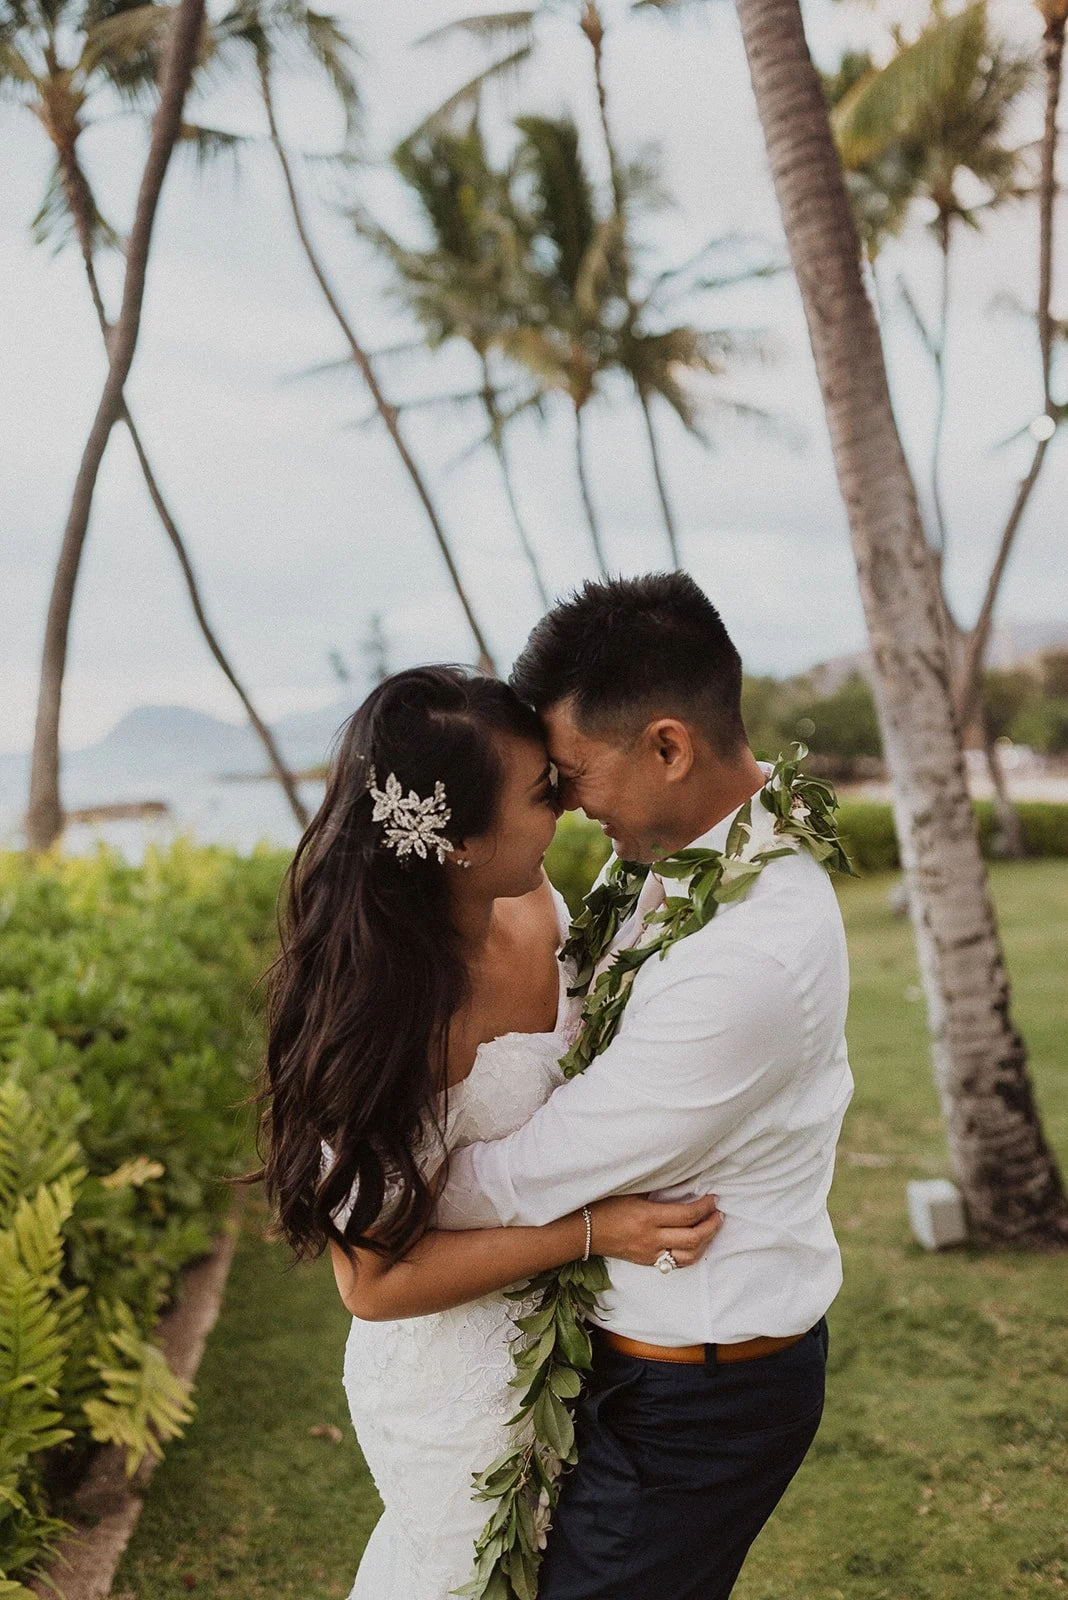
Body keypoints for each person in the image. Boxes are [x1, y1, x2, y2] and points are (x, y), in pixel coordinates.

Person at [249, 664, 723, 1600]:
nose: (568, 805)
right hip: (457, 1395)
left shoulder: (534, 903)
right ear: (459, 842)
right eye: (544, 792)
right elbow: (373, 1283)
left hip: (582, 1351)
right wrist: (590, 1232)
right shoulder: (397, 1014)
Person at [436, 572, 854, 1600]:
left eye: (574, 774)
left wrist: (382, 1198)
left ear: (669, 747)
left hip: (693, 1400)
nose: (568, 805)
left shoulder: (746, 959)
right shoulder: (684, 858)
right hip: (647, 1366)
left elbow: (530, 1176)